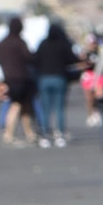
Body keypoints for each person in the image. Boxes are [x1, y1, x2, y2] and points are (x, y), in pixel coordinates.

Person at [33, 9, 76, 146]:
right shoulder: (63, 44)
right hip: (59, 78)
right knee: (59, 108)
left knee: (45, 108)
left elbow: (35, 60)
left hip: (44, 78)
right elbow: (71, 59)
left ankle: (45, 135)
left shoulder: (43, 44)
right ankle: (60, 135)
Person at [0, 16, 37, 146]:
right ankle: (9, 134)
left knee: (24, 106)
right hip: (21, 78)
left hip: (8, 77)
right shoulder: (19, 42)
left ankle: (30, 133)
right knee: (17, 105)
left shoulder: (2, 43)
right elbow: (29, 57)